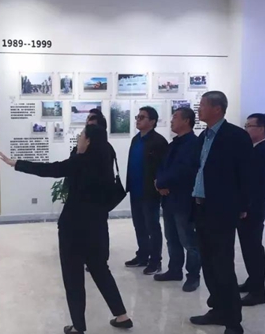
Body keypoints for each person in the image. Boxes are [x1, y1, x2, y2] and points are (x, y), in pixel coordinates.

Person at [0, 125, 132, 334]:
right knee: (100, 269)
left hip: (74, 227)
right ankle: (122, 315)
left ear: (88, 141)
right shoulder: (106, 159)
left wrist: (16, 163)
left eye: (81, 136)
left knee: (73, 275)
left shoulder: (80, 162)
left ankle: (78, 327)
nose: (78, 139)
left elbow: (50, 169)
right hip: (97, 226)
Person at [189, 91, 252, 334]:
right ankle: (217, 309)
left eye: (203, 105)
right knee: (208, 264)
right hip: (201, 207)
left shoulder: (236, 136)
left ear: (217, 108)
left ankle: (234, 326)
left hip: (222, 210)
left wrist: (243, 206)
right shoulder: (203, 136)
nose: (199, 109)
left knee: (223, 266)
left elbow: (246, 174)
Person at [154, 107, 201, 292]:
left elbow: (184, 170)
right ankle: (174, 270)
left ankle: (193, 276)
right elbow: (162, 166)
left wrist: (162, 182)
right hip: (168, 198)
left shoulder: (193, 144)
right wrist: (159, 183)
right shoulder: (174, 144)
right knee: (172, 238)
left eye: (175, 117)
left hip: (183, 199)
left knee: (189, 241)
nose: (171, 120)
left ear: (186, 121)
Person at [67, 109, 116, 274]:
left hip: (97, 198)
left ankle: (99, 259)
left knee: (99, 229)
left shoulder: (104, 150)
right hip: (83, 197)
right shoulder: (81, 149)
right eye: (87, 122)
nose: (88, 126)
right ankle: (88, 256)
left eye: (92, 124)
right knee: (86, 229)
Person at [125, 106, 168, 275]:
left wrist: (160, 185)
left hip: (150, 192)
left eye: (142, 117)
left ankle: (155, 261)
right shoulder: (136, 140)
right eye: (137, 116)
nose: (138, 119)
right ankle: (142, 255)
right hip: (135, 190)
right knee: (139, 226)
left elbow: (163, 167)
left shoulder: (159, 142)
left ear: (152, 121)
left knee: (152, 227)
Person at [238, 114, 265, 306]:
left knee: (254, 249)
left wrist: (245, 206)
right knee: (247, 247)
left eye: (249, 126)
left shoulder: (264, 151)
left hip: (254, 207)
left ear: (261, 129)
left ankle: (258, 291)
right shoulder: (252, 149)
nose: (246, 129)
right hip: (247, 206)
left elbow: (257, 185)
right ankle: (252, 281)